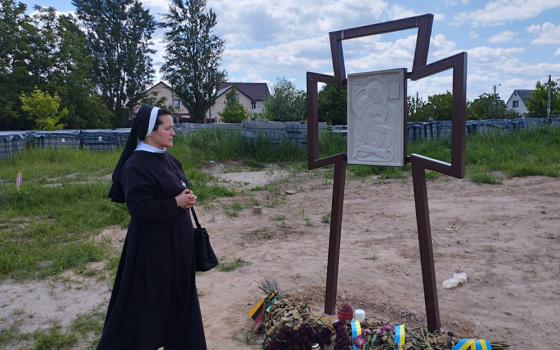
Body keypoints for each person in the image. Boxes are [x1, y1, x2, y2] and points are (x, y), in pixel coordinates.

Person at [99, 105, 206, 349]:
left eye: (173, 128)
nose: (173, 133)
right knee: (152, 301)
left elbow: (176, 188)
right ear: (150, 131)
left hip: (178, 244)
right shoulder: (136, 165)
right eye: (168, 128)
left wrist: (186, 198)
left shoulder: (166, 157)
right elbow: (140, 209)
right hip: (153, 248)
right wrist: (175, 203)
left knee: (179, 298)